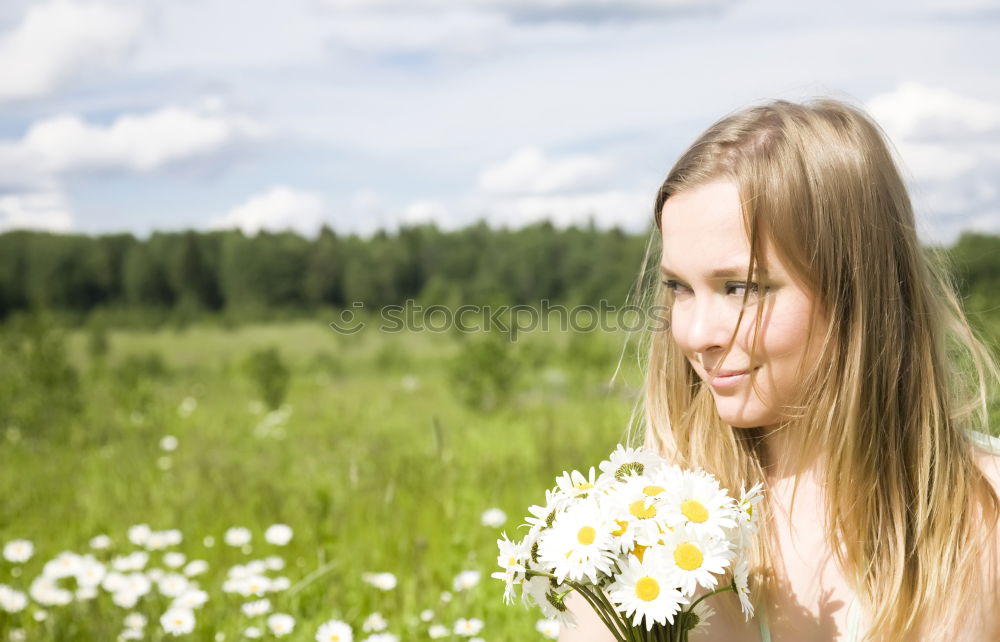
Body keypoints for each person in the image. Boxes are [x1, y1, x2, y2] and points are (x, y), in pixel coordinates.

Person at [559, 98, 1000, 641]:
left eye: (741, 288)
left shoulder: (984, 513)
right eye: (679, 287)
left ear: (856, 291)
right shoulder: (639, 526)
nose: (696, 335)